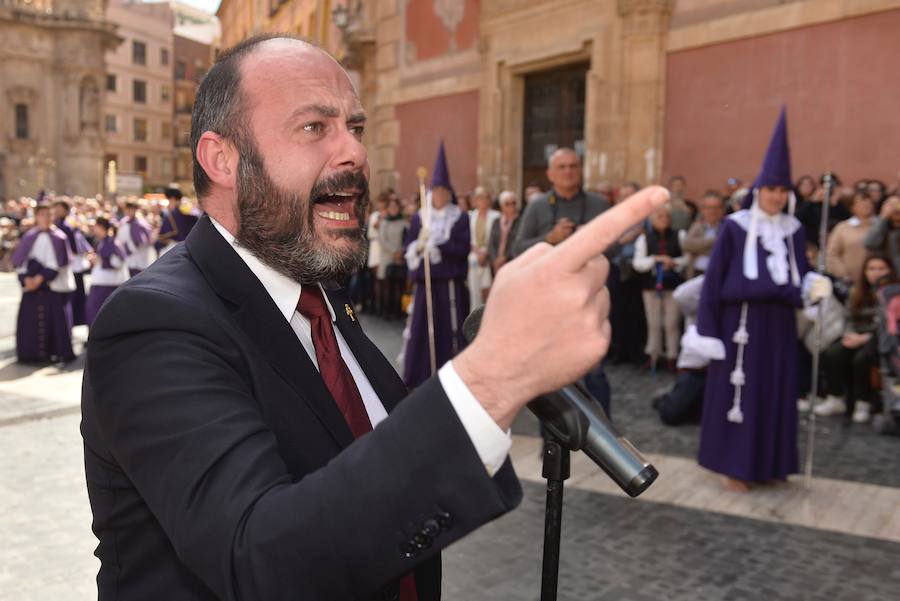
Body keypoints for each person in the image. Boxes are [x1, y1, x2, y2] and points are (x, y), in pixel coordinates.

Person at [81, 33, 667, 601]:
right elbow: (260, 562)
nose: (355, 152)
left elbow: (361, 455)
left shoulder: (321, 296)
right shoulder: (153, 323)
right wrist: (495, 375)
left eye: (355, 128)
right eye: (315, 127)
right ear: (223, 158)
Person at [690, 108, 831, 491]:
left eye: (783, 190)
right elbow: (716, 281)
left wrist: (814, 290)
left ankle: (770, 464)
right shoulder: (736, 228)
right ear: (759, 190)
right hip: (742, 326)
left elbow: (799, 278)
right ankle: (736, 467)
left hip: (779, 326)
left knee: (776, 392)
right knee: (743, 396)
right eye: (771, 189)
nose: (776, 196)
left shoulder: (795, 230)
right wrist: (708, 329)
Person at [402, 141, 470, 388]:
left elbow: (462, 249)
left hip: (449, 285)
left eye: (444, 190)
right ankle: (420, 375)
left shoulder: (460, 218)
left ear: (449, 192)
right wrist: (419, 246)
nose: (439, 195)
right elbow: (408, 247)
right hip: (427, 285)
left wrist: (438, 246)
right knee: (423, 330)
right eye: (436, 190)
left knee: (450, 330)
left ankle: (452, 378)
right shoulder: (421, 217)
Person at [818, 254, 896, 423]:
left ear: (890, 271)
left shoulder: (892, 294)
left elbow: (888, 324)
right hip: (855, 335)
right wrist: (849, 335)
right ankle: (835, 397)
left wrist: (865, 338)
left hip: (880, 339)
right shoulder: (856, 292)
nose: (876, 273)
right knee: (833, 353)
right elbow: (848, 317)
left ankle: (863, 403)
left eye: (881, 268)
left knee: (862, 359)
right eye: (871, 268)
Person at [12, 203, 76, 363]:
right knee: (30, 321)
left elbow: (58, 264)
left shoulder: (59, 237)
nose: (46, 218)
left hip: (51, 286)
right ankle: (31, 354)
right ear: (36, 217)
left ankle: (54, 353)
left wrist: (40, 278)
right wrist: (26, 278)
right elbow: (21, 261)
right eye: (42, 215)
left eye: (49, 215)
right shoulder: (29, 236)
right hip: (31, 286)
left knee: (54, 322)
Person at [632, 205, 685, 371]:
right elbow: (638, 263)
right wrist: (655, 259)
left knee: (672, 323)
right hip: (651, 286)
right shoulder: (644, 239)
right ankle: (653, 355)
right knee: (653, 322)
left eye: (666, 216)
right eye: (660, 216)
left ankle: (672, 356)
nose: (664, 220)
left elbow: (687, 258)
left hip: (673, 285)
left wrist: (674, 262)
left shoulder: (679, 235)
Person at [52, 199, 92, 326]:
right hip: (61, 264)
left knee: (73, 295)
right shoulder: (58, 224)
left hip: (71, 265)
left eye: (59, 208)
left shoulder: (67, 226)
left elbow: (73, 247)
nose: (57, 211)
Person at [85, 217, 130, 326]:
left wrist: (101, 260)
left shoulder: (112, 242)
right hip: (102, 284)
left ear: (101, 227)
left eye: (96, 226)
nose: (94, 229)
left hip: (108, 286)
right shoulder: (103, 241)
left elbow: (118, 262)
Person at [826, 191, 876, 286]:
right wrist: (844, 275)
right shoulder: (842, 228)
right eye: (861, 201)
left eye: (869, 201)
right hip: (850, 281)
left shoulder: (880, 225)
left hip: (879, 281)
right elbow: (832, 255)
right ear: (852, 207)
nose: (866, 204)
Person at [682, 191, 726, 279]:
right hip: (696, 273)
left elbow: (724, 251)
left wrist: (699, 249)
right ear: (703, 210)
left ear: (722, 210)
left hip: (719, 275)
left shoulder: (727, 228)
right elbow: (687, 245)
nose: (712, 211)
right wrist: (715, 240)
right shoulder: (697, 226)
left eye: (716, 208)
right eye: (709, 208)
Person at [467, 186, 499, 306]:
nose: (483, 200)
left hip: (490, 254)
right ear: (475, 200)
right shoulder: (470, 216)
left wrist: (485, 252)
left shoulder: (496, 216)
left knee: (488, 289)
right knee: (473, 262)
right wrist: (476, 251)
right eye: (480, 197)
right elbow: (468, 238)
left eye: (486, 197)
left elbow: (495, 238)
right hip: (474, 254)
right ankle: (475, 313)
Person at [377, 195, 407, 319]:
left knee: (398, 286)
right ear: (388, 208)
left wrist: (401, 251)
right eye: (391, 206)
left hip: (400, 257)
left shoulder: (403, 222)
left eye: (396, 206)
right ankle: (386, 311)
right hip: (387, 257)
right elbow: (382, 239)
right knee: (387, 286)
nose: (394, 208)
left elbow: (407, 238)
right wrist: (394, 250)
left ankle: (397, 311)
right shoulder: (384, 222)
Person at [116, 200, 156, 277]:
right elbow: (119, 238)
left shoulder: (141, 223)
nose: (129, 211)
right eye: (127, 209)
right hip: (129, 258)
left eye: (131, 209)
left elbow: (145, 240)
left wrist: (131, 247)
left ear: (135, 210)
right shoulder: (123, 222)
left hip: (140, 257)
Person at [863, 194, 900, 275]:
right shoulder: (879, 225)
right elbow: (869, 243)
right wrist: (883, 217)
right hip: (884, 276)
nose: (895, 208)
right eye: (890, 205)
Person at [487, 190, 520, 274]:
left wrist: (505, 258)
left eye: (513, 203)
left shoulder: (520, 221)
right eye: (507, 204)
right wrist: (495, 260)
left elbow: (517, 241)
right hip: (495, 263)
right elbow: (491, 242)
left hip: (512, 261)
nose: (511, 206)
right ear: (501, 206)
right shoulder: (496, 221)